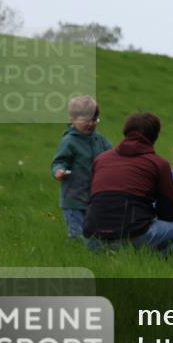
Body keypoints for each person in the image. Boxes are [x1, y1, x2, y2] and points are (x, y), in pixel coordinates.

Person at [83, 112, 173, 254]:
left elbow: (90, 198)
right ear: (155, 136)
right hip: (132, 234)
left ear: (126, 132)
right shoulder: (158, 163)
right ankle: (153, 263)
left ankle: (132, 259)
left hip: (93, 238)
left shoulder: (101, 159)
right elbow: (169, 211)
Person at [50, 95, 112, 238]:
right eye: (86, 120)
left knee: (94, 233)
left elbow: (112, 155)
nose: (91, 124)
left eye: (94, 120)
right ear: (72, 119)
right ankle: (77, 254)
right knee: (77, 235)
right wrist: (58, 171)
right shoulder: (69, 141)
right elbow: (59, 161)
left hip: (94, 197)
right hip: (73, 198)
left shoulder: (99, 139)